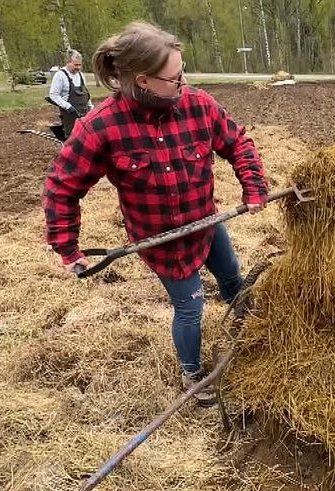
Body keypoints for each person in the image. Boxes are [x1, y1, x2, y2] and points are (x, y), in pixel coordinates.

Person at [42, 22, 268, 406]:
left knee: (233, 279)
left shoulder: (198, 105)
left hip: (206, 223)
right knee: (191, 305)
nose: (184, 83)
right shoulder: (101, 126)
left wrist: (254, 187)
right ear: (143, 81)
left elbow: (237, 141)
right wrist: (68, 248)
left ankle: (250, 338)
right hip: (162, 241)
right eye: (175, 77)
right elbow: (62, 186)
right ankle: (194, 376)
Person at [48, 49, 93, 138]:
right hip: (70, 116)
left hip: (84, 114)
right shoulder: (60, 75)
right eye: (75, 65)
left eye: (80, 65)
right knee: (74, 139)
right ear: (68, 62)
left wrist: (91, 107)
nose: (78, 67)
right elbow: (53, 95)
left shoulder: (80, 75)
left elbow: (85, 93)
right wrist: (68, 107)